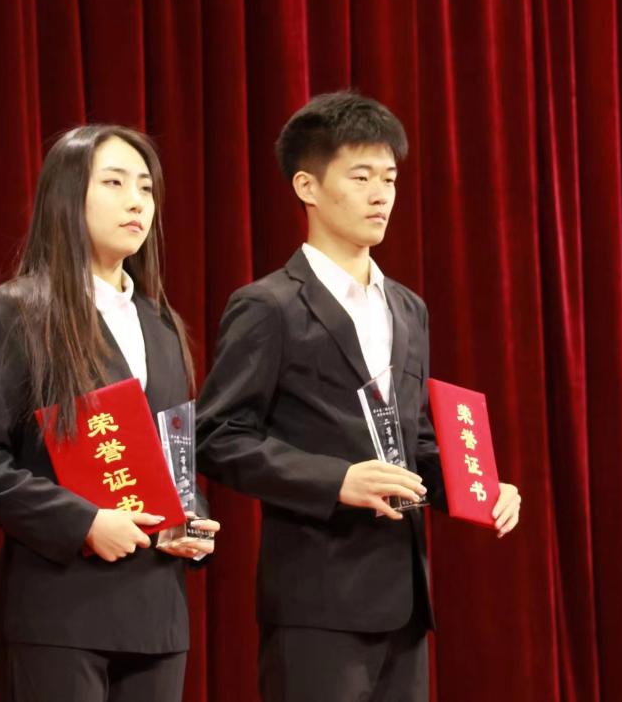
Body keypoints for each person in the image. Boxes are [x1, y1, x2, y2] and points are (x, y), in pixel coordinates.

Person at [196, 91, 522, 702]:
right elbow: (217, 437)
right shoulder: (269, 306)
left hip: (406, 600)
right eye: (361, 176)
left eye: (390, 178)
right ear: (307, 187)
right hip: (317, 599)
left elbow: (414, 439)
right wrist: (336, 480)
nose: (381, 195)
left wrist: (479, 488)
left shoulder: (407, 307)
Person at [0, 124, 220, 702]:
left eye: (146, 188)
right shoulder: (17, 311)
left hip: (157, 618)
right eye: (115, 183)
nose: (136, 202)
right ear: (67, 196)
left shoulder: (163, 325)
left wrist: (192, 519)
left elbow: (174, 455)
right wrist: (82, 523)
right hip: (60, 614)